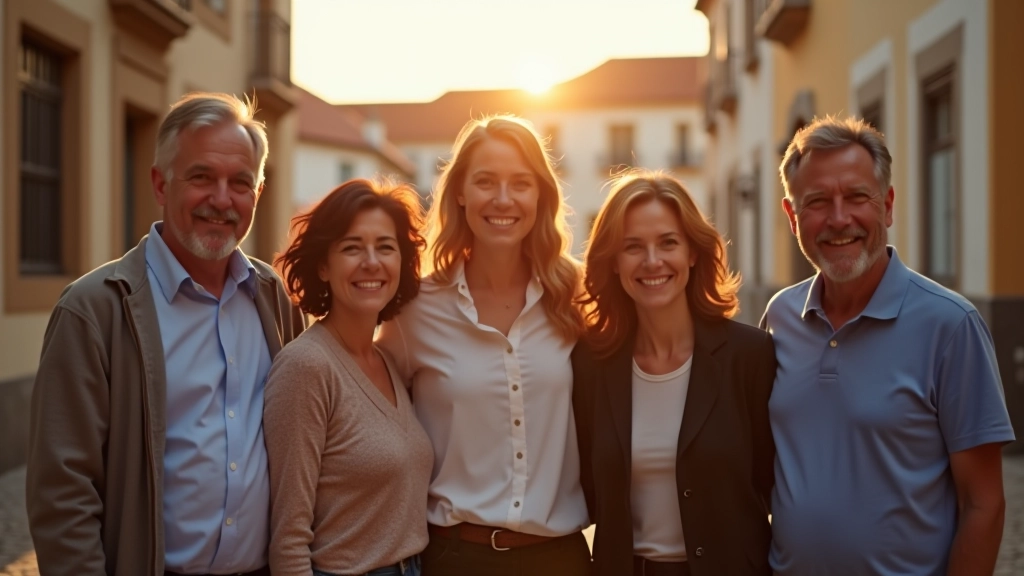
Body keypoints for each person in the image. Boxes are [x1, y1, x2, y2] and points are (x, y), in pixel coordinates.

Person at [25, 92, 306, 576]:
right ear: (160, 183)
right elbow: (63, 494)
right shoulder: (95, 310)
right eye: (201, 177)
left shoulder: (273, 298)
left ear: (257, 195)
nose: (222, 199)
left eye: (240, 182)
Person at [763, 116, 1015, 576]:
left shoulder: (951, 326)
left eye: (858, 197)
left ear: (888, 205)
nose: (839, 219)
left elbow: (984, 504)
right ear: (792, 215)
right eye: (817, 201)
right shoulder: (779, 317)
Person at [375, 115, 591, 575]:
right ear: (459, 193)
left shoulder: (577, 296)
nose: (503, 199)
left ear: (541, 195)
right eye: (486, 182)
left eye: (521, 183)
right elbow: (370, 417)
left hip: (560, 560)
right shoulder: (414, 309)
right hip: (454, 558)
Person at [572, 171, 776, 576]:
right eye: (633, 247)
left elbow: (777, 491)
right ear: (613, 262)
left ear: (693, 253)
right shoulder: (591, 364)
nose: (652, 262)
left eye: (668, 243)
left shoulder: (750, 356)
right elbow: (586, 491)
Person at [264, 178, 432, 576]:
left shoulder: (387, 360)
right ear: (324, 265)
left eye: (385, 248)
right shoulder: (306, 368)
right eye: (352, 248)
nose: (371, 262)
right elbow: (288, 537)